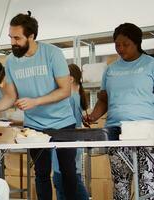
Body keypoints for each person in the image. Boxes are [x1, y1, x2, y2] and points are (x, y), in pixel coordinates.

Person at [0, 11, 78, 200]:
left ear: (31, 36)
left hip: (63, 122)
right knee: (41, 173)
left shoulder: (53, 54)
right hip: (34, 127)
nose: (13, 42)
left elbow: (65, 90)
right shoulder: (10, 61)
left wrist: (35, 101)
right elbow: (10, 97)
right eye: (11, 37)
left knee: (68, 172)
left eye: (17, 38)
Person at [85, 23, 154, 200]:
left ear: (137, 43)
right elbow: (103, 99)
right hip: (116, 132)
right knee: (120, 184)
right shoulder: (110, 69)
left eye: (125, 44)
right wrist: (93, 116)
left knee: (147, 183)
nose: (120, 49)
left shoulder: (153, 65)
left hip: (145, 133)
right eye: (117, 45)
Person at [51, 64, 89, 200]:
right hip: (71, 148)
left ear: (70, 79)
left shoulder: (70, 98)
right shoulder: (76, 97)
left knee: (64, 185)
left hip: (65, 148)